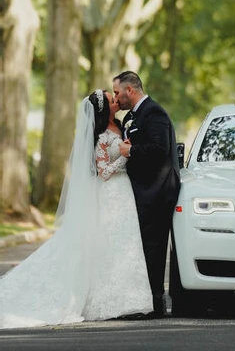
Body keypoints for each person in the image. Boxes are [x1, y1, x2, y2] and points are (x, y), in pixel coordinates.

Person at [0, 90, 153, 328]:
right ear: (104, 110)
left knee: (125, 244)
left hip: (124, 193)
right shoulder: (100, 135)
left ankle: (130, 300)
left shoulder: (121, 125)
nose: (116, 100)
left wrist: (127, 150)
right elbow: (102, 172)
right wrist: (125, 155)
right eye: (111, 99)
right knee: (109, 243)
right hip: (110, 192)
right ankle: (109, 301)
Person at [113, 71, 180, 318]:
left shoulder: (155, 113)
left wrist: (129, 151)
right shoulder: (132, 116)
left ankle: (155, 302)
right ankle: (143, 299)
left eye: (118, 92)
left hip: (157, 189)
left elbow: (159, 149)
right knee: (141, 246)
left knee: (153, 247)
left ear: (130, 90)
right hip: (142, 190)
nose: (116, 98)